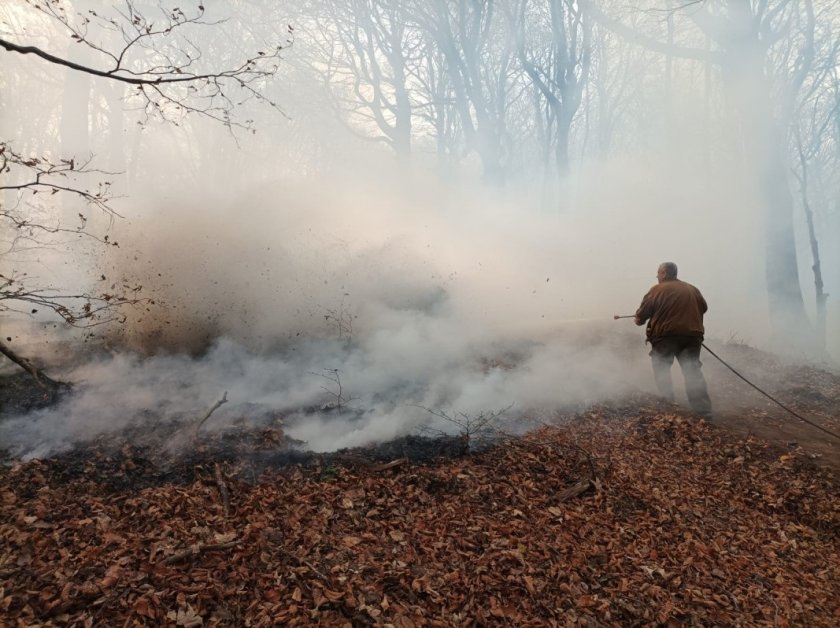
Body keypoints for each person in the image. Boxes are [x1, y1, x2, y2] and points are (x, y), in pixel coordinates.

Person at [634, 262, 712, 417]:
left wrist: (638, 319)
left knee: (661, 368)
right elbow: (704, 307)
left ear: (664, 273)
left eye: (658, 272)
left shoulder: (656, 290)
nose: (656, 276)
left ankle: (668, 405)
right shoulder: (692, 289)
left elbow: (642, 315)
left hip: (666, 337)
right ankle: (703, 411)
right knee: (692, 371)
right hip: (692, 337)